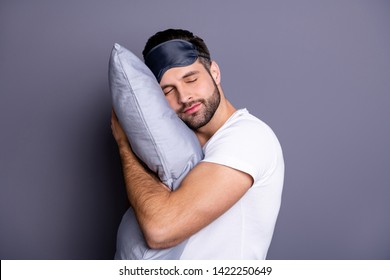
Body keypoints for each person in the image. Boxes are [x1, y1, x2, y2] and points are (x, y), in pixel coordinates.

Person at [111, 28, 284, 259]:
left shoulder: (248, 137)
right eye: (168, 91)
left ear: (215, 72)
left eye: (191, 79)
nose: (184, 97)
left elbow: (160, 230)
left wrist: (124, 145)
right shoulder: (177, 149)